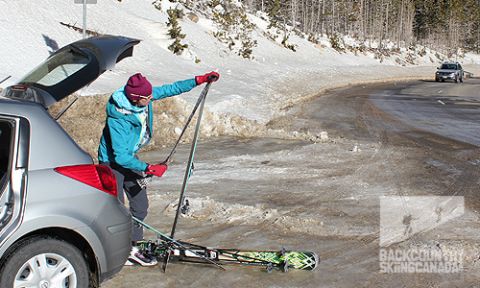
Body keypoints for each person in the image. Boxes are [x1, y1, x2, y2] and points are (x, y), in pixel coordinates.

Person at [98, 71, 219, 266]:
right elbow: (119, 156)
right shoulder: (117, 118)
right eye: (148, 97)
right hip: (111, 163)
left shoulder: (144, 96)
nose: (151, 98)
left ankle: (132, 246)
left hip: (130, 158)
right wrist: (149, 168)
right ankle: (119, 250)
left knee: (140, 204)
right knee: (117, 210)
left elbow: (172, 89)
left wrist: (199, 80)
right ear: (136, 99)